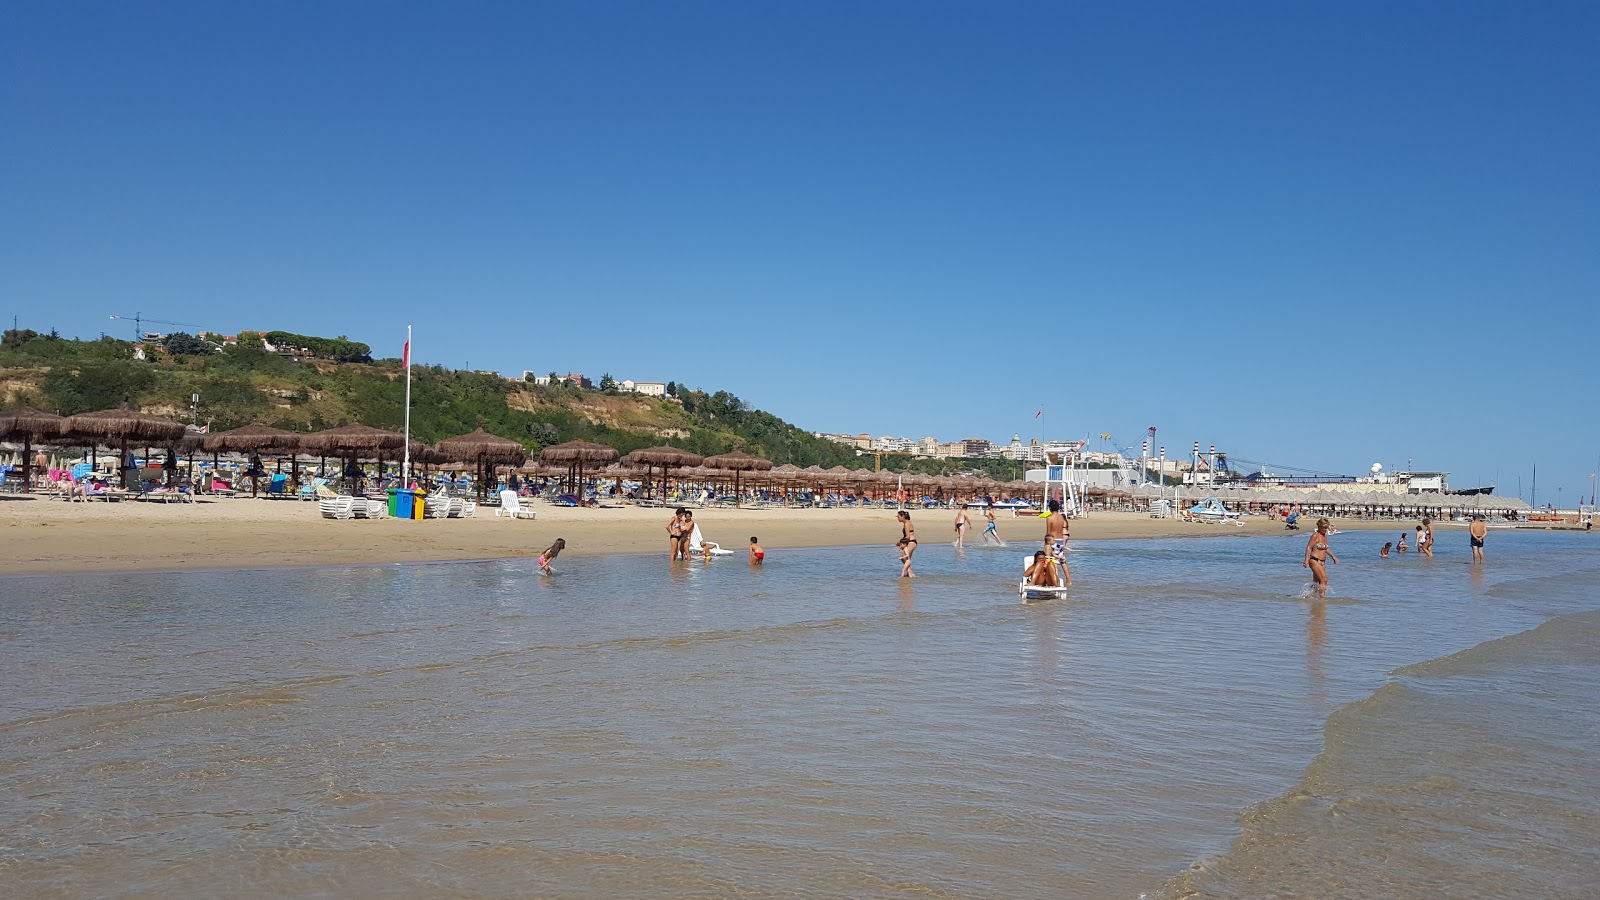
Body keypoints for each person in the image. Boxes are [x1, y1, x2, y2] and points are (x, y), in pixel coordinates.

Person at [1303, 517, 1339, 599]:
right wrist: (1306, 561)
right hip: (1315, 560)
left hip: (1322, 562)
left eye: (1326, 528)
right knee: (1324, 580)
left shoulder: (1324, 535)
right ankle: (1322, 598)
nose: (1326, 530)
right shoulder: (1315, 535)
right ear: (1319, 527)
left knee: (1317, 582)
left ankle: (1311, 597)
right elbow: (1309, 547)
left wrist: (1333, 557)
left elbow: (1325, 548)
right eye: (1324, 528)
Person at [1042, 500, 1071, 584]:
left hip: (1052, 541)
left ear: (1050, 508)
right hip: (1060, 540)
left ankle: (1053, 580)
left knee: (1050, 560)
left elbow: (1048, 532)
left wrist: (1046, 544)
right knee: (1063, 562)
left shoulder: (1049, 518)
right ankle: (1069, 581)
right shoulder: (1061, 517)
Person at [897, 510, 917, 578]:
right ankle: (910, 574)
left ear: (902, 516)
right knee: (906, 559)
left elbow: (907, 536)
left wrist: (900, 543)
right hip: (912, 542)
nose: (898, 518)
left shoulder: (906, 524)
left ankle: (910, 574)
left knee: (905, 559)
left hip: (911, 542)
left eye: (898, 517)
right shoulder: (908, 522)